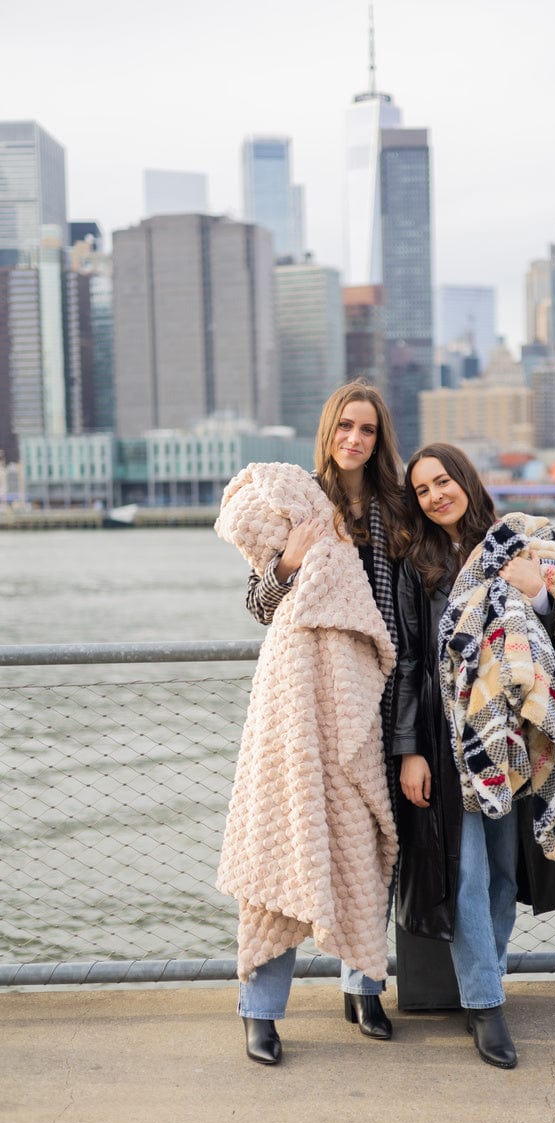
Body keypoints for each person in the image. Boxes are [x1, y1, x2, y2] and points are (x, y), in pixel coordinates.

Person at [392, 444, 555, 1069]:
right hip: (448, 737)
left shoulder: (516, 546)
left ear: (465, 481)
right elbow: (410, 662)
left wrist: (537, 595)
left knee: (506, 873)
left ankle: (482, 985)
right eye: (423, 489)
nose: (436, 495)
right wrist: (410, 750)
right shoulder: (419, 564)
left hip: (512, 734)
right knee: (465, 873)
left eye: (443, 481)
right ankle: (486, 1006)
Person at [215, 380, 408, 1065]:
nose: (355, 439)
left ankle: (364, 986)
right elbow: (260, 606)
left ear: (380, 441)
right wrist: (290, 564)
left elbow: (402, 617)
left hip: (373, 697)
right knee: (283, 840)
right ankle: (261, 1010)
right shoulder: (298, 503)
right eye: (345, 427)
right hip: (297, 703)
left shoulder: (393, 514)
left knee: (363, 842)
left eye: (368, 430)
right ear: (328, 431)